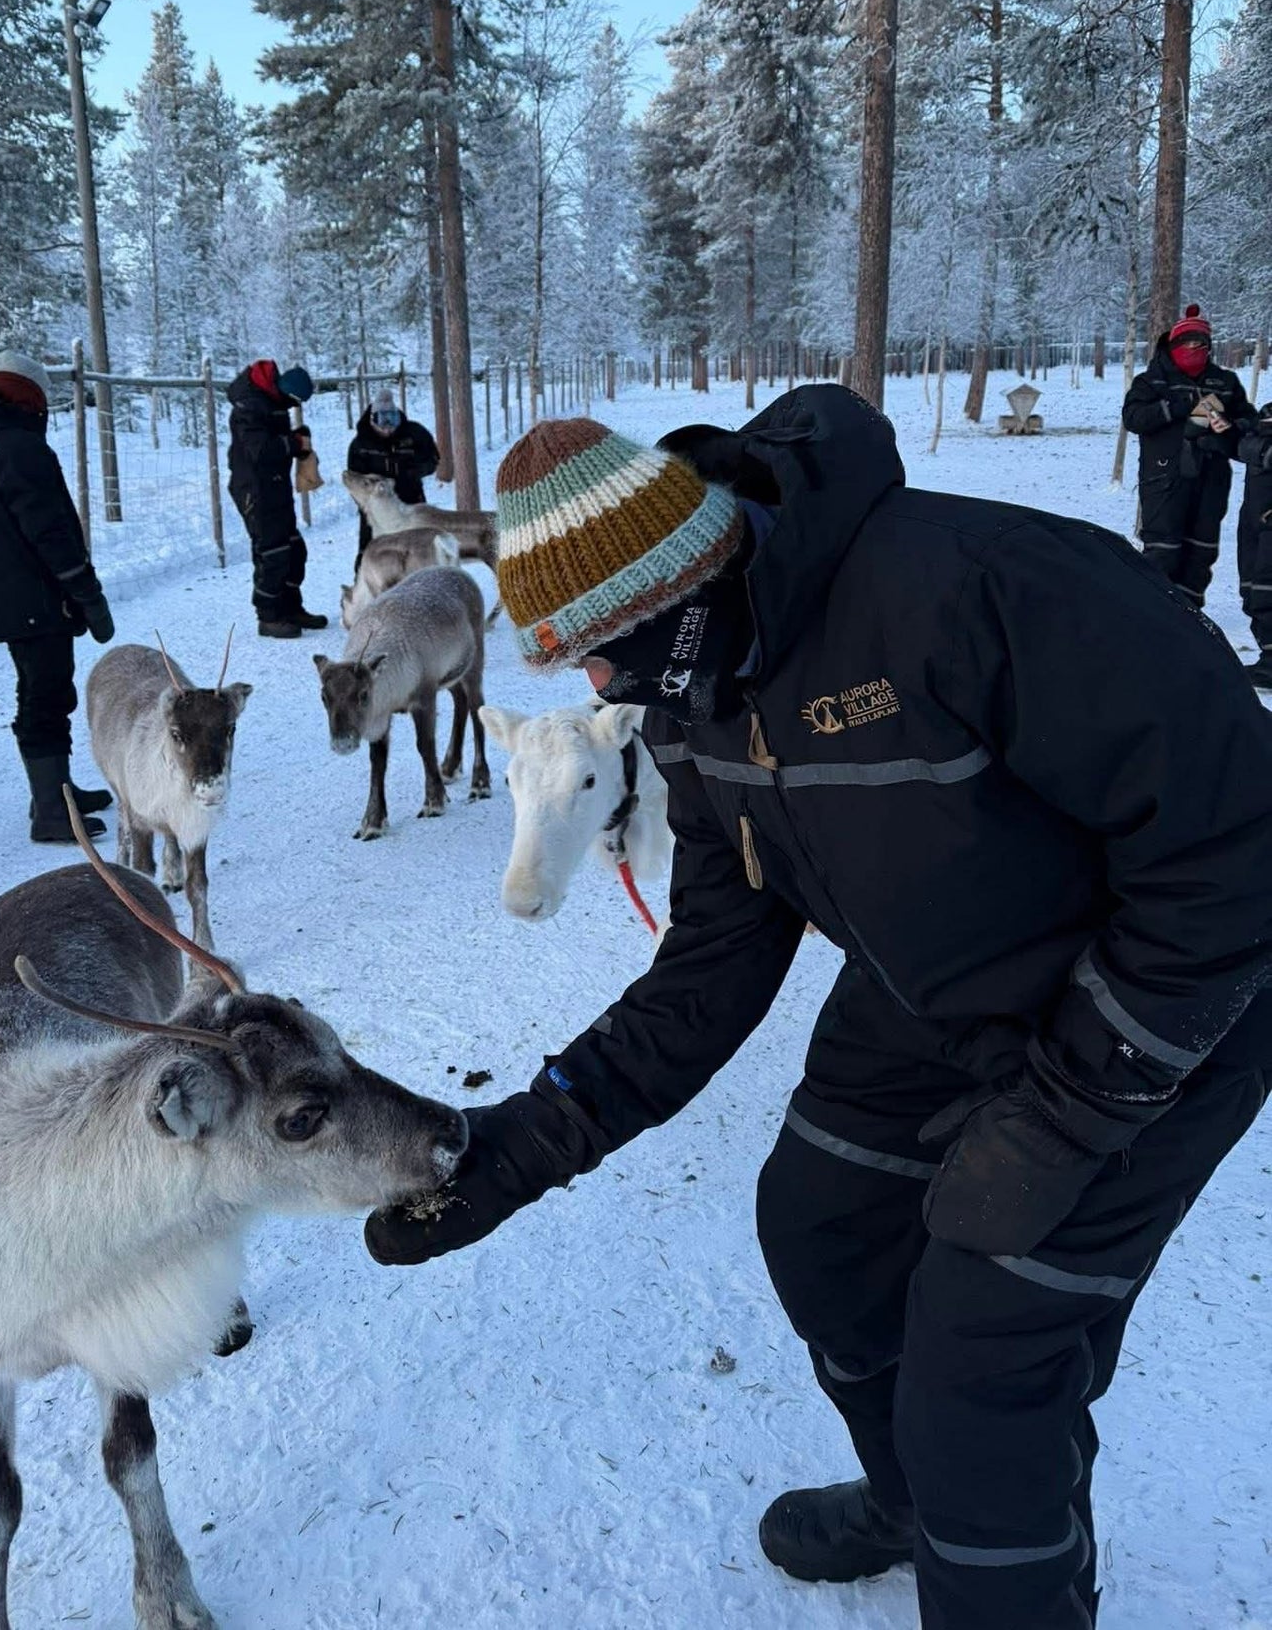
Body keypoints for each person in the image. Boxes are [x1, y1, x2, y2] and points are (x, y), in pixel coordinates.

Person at [365, 393, 1272, 1630]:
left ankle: (988, 1544)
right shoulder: (694, 702)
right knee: (819, 1228)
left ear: (683, 584)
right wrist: (528, 1140)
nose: (596, 680)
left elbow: (1235, 855)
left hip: (1163, 997)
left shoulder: (978, 585)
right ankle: (914, 1500)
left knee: (981, 1365)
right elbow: (707, 967)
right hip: (935, 978)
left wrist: (1064, 1114)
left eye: (603, 642)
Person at [0, 348, 115, 844]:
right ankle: (51, 810)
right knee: (45, 696)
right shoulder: (19, 449)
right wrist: (86, 591)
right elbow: (51, 531)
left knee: (43, 690)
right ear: (27, 396)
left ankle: (56, 791)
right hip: (36, 597)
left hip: (12, 596)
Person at [1123, 303, 1254, 609]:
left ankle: (1190, 616)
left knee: (1201, 553)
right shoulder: (1152, 381)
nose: (1195, 350)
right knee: (1163, 552)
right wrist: (1174, 408)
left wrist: (1228, 429)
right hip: (1164, 480)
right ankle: (1153, 615)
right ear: (1174, 345)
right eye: (1188, 343)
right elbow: (1133, 418)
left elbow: (1248, 422)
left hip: (1212, 480)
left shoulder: (1224, 382)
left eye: (1201, 344)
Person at [225, 359, 328, 638]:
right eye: (295, 401)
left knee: (294, 550)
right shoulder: (249, 405)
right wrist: (293, 443)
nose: (294, 407)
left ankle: (290, 608)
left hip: (275, 486)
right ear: (286, 392)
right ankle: (269, 616)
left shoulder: (272, 401)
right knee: (272, 553)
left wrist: (296, 439)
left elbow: (275, 439)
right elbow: (260, 450)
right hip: (255, 490)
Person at [346, 388, 440, 557]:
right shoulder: (361, 445)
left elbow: (433, 459)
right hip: (376, 510)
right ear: (372, 419)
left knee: (418, 554)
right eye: (382, 420)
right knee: (373, 556)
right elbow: (355, 482)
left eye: (392, 419)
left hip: (411, 503)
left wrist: (415, 471)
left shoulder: (415, 434)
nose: (388, 427)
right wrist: (369, 501)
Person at [1235, 402, 1272, 688]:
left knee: (1266, 588)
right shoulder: (1266, 414)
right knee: (1252, 588)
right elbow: (1241, 445)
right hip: (1253, 517)